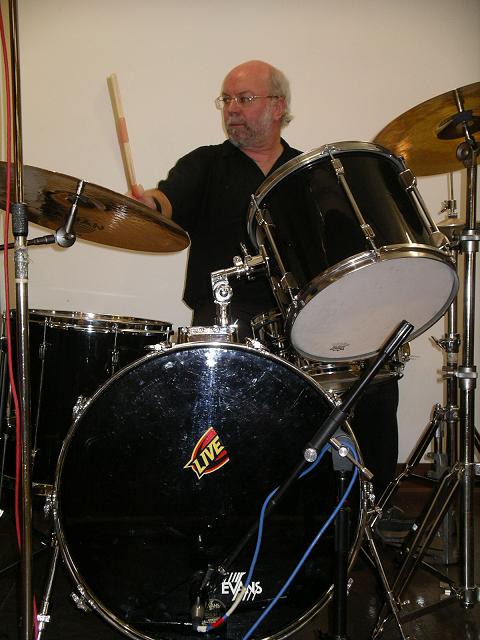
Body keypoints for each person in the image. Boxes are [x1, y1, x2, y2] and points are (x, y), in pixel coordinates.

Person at [132, 59, 399, 503]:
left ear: (277, 106)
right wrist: (148, 204)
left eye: (244, 98)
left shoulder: (308, 171)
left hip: (304, 321)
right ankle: (228, 508)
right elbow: (167, 200)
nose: (232, 109)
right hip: (227, 322)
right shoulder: (205, 164)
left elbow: (344, 245)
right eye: (227, 99)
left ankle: (369, 508)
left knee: (376, 381)